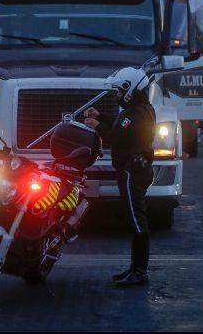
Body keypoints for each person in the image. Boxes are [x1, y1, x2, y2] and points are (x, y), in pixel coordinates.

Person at [84, 67, 155, 287]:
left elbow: (115, 135)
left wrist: (96, 126)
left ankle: (140, 272)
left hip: (131, 171)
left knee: (137, 221)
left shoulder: (135, 113)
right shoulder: (140, 110)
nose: (118, 96)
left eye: (120, 91)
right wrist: (101, 116)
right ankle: (135, 269)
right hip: (136, 169)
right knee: (135, 220)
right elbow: (121, 124)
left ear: (130, 89)